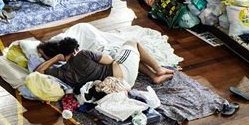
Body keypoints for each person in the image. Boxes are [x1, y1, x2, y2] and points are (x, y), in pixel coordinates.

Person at [36, 37, 174, 89]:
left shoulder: (63, 73)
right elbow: (109, 60)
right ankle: (158, 69)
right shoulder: (83, 54)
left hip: (120, 87)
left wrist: (55, 59)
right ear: (74, 49)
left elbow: (39, 71)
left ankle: (154, 76)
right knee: (132, 44)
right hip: (123, 74)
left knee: (128, 57)